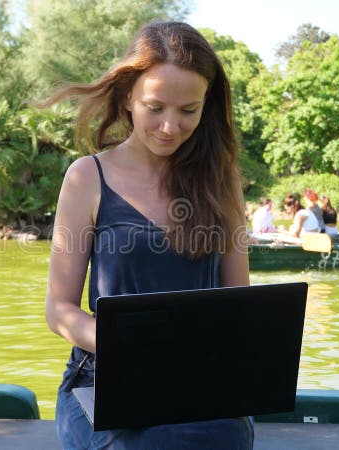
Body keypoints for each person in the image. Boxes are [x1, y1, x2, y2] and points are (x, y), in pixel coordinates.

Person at [42, 21, 252, 449]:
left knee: (218, 439)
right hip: (104, 378)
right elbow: (58, 309)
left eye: (188, 111)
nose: (170, 127)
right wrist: (130, 346)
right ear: (126, 99)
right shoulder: (87, 177)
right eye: (155, 108)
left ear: (206, 106)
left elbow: (240, 306)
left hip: (201, 381)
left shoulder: (222, 179)